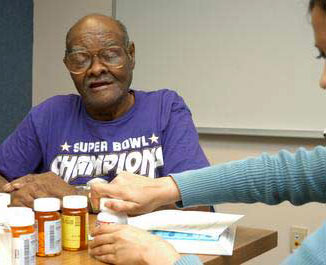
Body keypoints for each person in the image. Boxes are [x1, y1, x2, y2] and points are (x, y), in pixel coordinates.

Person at [89, 1, 326, 264]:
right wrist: (165, 187)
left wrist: (157, 256)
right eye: (322, 56)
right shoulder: (49, 114)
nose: (322, 80)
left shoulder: (167, 106)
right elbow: (289, 173)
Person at [0, 14, 210, 207]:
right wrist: (12, 200)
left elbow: (197, 200)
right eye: (81, 58)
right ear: (67, 65)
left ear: (131, 55)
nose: (96, 69)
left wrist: (77, 197)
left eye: (110, 54)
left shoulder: (165, 109)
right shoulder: (50, 115)